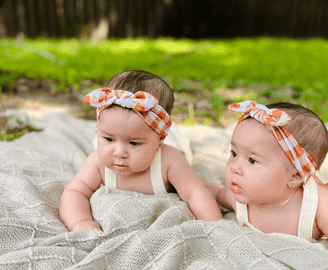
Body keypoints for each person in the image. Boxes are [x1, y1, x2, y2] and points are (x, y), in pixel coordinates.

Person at [207, 100, 328, 267]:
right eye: (234, 153)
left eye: (252, 160)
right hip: (300, 165)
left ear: (294, 176)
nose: (235, 168)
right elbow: (215, 192)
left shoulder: (318, 203)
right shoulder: (240, 197)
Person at [59, 70, 223, 231]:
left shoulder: (169, 160)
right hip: (131, 134)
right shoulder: (98, 161)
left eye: (134, 143)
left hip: (173, 142)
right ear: (99, 130)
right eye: (108, 139)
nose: (119, 152)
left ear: (160, 139)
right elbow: (75, 191)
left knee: (180, 146)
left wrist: (215, 226)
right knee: (114, 136)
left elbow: (195, 192)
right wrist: (80, 221)